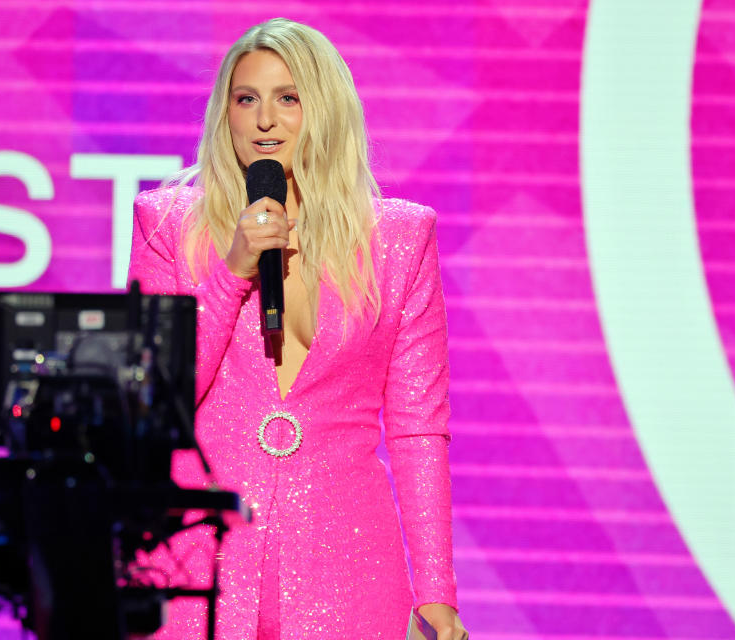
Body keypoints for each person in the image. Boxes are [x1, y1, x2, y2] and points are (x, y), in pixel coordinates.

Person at [128, 17, 467, 640]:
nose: (264, 121)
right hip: (201, 549)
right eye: (246, 98)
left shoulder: (398, 241)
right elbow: (159, 398)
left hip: (348, 553)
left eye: (288, 99)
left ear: (325, 110)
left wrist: (437, 588)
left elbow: (419, 425)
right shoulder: (169, 226)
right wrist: (231, 270)